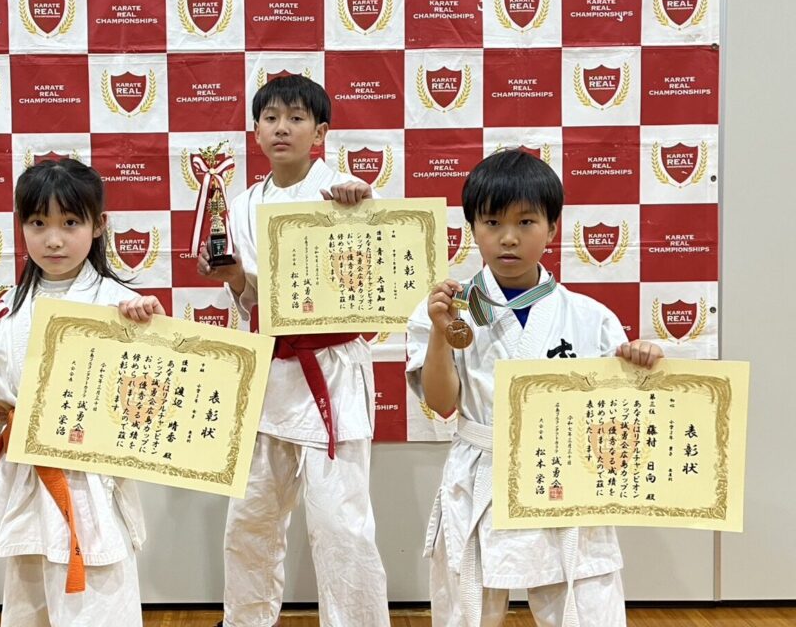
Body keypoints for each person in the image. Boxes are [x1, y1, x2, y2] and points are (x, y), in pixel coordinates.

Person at [405, 149, 664, 627]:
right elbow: (441, 405)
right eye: (492, 222)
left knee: (586, 609)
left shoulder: (590, 317)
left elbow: (618, 421)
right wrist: (442, 332)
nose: (509, 238)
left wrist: (640, 366)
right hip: (480, 472)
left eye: (527, 222)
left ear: (553, 228)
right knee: (468, 613)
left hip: (564, 472)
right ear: (471, 228)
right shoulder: (444, 309)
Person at [197, 75, 390, 627]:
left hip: (330, 371)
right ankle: (245, 621)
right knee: (250, 518)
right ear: (256, 130)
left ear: (320, 131)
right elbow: (247, 299)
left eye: (297, 117)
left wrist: (361, 207)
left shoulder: (344, 194)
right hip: (267, 370)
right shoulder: (238, 205)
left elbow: (372, 274)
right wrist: (235, 278)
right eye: (271, 117)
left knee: (341, 525)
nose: (283, 128)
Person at [0, 158, 165, 627]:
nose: (53, 239)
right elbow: (0, 397)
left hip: (89, 480)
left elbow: (148, 395)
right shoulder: (4, 309)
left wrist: (147, 326)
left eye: (70, 223)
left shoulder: (118, 303)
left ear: (99, 225)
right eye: (38, 223)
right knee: (29, 605)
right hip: (27, 477)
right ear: (21, 226)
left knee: (98, 604)